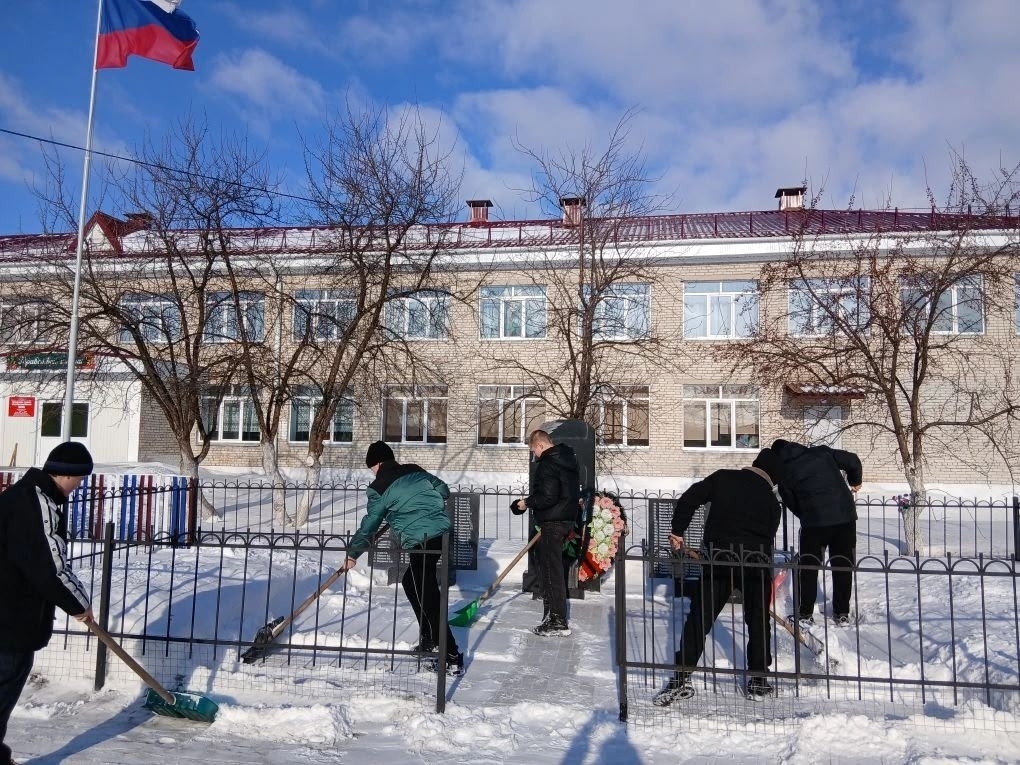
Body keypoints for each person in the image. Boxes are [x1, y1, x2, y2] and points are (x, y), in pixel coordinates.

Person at [653, 448, 784, 706]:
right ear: (773, 477)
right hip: (755, 564)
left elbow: (690, 498)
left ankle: (680, 678)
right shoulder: (771, 501)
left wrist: (678, 530)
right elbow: (769, 536)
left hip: (719, 559)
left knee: (699, 619)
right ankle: (758, 679)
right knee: (757, 620)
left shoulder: (723, 477)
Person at [1, 442, 96, 765]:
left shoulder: (23, 496)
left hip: (10, 612)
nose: (79, 486)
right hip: (10, 616)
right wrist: (79, 604)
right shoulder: (36, 503)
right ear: (67, 475)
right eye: (79, 479)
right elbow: (50, 568)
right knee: (5, 683)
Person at [341, 441, 463, 674]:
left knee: (427, 595)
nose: (372, 472)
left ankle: (451, 654)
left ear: (376, 464)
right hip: (440, 535)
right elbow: (444, 490)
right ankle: (429, 639)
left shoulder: (379, 487)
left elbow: (369, 526)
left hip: (420, 539)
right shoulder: (415, 470)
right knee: (412, 582)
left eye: (371, 468)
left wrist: (353, 554)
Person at [771, 438, 863, 627]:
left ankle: (805, 614)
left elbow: (791, 501)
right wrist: (855, 481)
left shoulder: (785, 473)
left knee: (809, 567)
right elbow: (852, 460)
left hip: (814, 524)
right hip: (844, 518)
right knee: (843, 565)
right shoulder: (821, 452)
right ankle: (842, 613)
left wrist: (807, 514)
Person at [512, 429, 580, 637]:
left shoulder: (548, 463)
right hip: (565, 519)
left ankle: (557, 620)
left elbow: (548, 496)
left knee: (551, 572)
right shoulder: (567, 459)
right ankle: (551, 615)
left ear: (540, 445)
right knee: (553, 569)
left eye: (534, 450)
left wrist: (525, 503)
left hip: (552, 521)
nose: (535, 455)